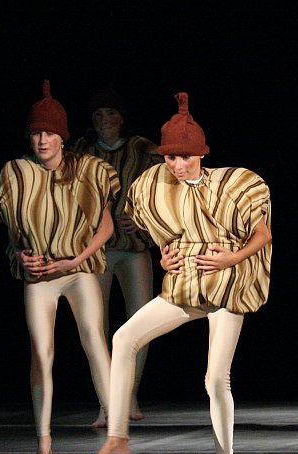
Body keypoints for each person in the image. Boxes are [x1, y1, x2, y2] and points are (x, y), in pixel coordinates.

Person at [80, 92, 272, 454]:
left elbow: (262, 234)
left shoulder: (234, 184)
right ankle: (117, 439)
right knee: (124, 337)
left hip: (226, 286)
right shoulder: (157, 186)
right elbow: (162, 233)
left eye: (184, 157)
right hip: (185, 284)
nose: (176, 165)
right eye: (169, 158)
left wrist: (232, 258)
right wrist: (164, 257)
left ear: (200, 154)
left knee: (215, 378)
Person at [0, 80, 119, 454]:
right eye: (36, 133)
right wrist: (20, 254)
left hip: (76, 269)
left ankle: (115, 435)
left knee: (94, 339)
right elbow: (12, 231)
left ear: (62, 136)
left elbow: (106, 226)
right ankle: (43, 442)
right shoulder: (16, 172)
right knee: (40, 353)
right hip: (39, 276)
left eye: (49, 133)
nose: (42, 140)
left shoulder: (87, 170)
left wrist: (77, 258)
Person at [72, 85, 164, 425]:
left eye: (110, 113)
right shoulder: (81, 150)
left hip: (133, 246)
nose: (104, 120)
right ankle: (107, 401)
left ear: (121, 118)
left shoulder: (142, 149)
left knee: (140, 320)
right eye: (98, 115)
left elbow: (166, 188)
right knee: (96, 326)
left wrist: (143, 218)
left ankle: (129, 393)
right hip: (95, 250)